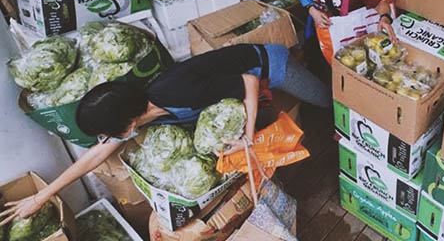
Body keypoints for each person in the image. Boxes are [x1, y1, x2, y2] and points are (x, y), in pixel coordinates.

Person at [0, 44, 330, 221]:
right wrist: (42, 195)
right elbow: (94, 156)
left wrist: (246, 132)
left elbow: (248, 80)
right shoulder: (137, 111)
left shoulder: (174, 94)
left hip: (267, 64)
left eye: (105, 134)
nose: (104, 142)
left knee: (327, 102)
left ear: (126, 123)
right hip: (233, 87)